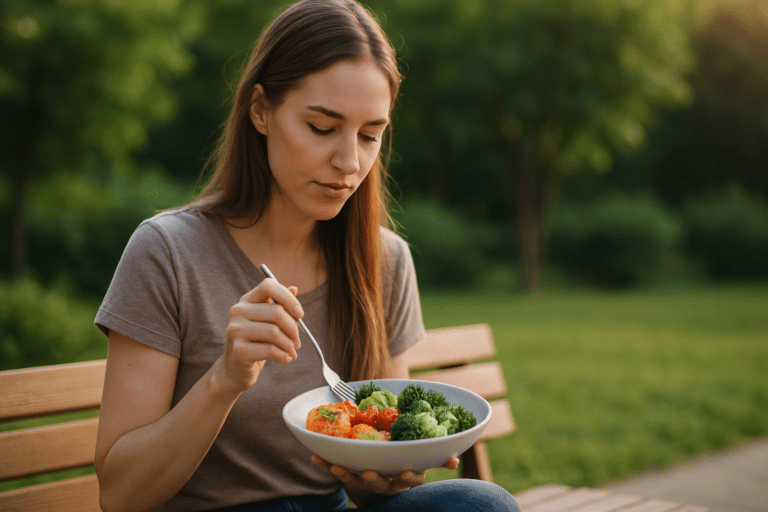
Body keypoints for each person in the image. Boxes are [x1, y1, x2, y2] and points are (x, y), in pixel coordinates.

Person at [94, 1, 522, 511]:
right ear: (261, 110)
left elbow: (369, 484)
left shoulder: (385, 259)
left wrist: (390, 467)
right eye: (322, 128)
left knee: (480, 504)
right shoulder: (167, 252)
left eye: (369, 136)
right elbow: (120, 495)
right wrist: (223, 380)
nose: (349, 162)